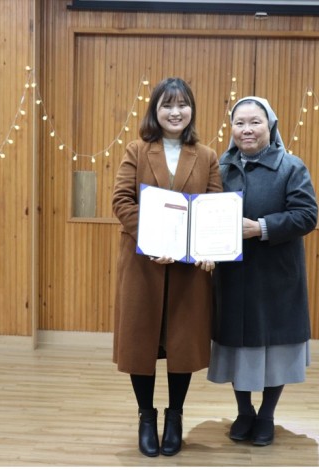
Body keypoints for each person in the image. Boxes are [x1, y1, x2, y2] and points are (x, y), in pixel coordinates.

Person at [111, 77, 221, 457]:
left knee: (182, 343)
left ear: (191, 110)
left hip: (189, 271)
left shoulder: (206, 155)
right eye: (167, 105)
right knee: (140, 342)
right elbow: (121, 201)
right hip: (144, 266)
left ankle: (175, 416)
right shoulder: (137, 150)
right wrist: (154, 239)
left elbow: (214, 207)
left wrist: (209, 248)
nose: (175, 112)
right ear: (155, 111)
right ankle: (146, 416)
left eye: (182, 104)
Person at [208, 96, 319, 446]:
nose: (247, 130)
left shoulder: (291, 167)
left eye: (255, 122)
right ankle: (244, 412)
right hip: (232, 277)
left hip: (277, 277)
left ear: (270, 126)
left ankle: (267, 414)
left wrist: (261, 228)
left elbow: (307, 216)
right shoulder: (220, 169)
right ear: (231, 128)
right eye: (239, 123)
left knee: (275, 350)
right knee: (236, 347)